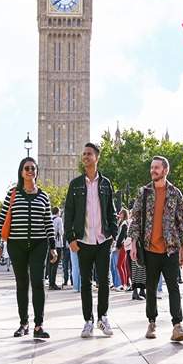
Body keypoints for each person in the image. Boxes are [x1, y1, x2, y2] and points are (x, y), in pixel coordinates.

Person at [0, 158, 57, 339]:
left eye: (33, 168)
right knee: (22, 284)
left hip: (39, 244)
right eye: (26, 168)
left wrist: (53, 247)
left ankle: (39, 324)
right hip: (17, 244)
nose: (30, 171)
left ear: (37, 172)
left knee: (38, 283)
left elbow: (48, 223)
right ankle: (24, 323)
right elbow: (2, 219)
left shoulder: (43, 196)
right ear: (21, 172)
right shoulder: (13, 194)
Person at [130, 156, 183, 342]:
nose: (152, 170)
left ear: (165, 170)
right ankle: (152, 323)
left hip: (170, 249)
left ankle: (177, 325)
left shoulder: (175, 193)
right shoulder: (144, 192)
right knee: (151, 287)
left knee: (173, 288)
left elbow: (182, 223)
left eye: (156, 168)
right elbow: (136, 218)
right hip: (149, 248)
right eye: (151, 167)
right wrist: (133, 243)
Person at [64, 143, 118, 338]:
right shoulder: (76, 184)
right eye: (84, 154)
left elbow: (112, 211)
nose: (85, 157)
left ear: (97, 157)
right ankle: (88, 320)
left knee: (104, 281)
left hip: (103, 240)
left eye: (89, 154)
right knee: (85, 283)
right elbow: (68, 212)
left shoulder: (106, 184)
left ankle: (103, 317)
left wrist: (113, 234)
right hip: (83, 241)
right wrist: (70, 238)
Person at [49, 207, 65, 290]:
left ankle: (50, 283)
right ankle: (53, 283)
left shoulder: (49, 218)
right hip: (57, 244)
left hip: (49, 244)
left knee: (50, 263)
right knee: (55, 264)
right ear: (58, 212)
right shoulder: (59, 219)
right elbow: (61, 232)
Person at [116, 209, 131, 291]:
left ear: (124, 214)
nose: (119, 214)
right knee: (123, 265)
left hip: (122, 245)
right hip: (123, 245)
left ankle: (123, 284)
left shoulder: (124, 223)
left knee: (119, 265)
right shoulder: (122, 223)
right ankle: (125, 283)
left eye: (121, 213)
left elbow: (122, 235)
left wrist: (118, 245)